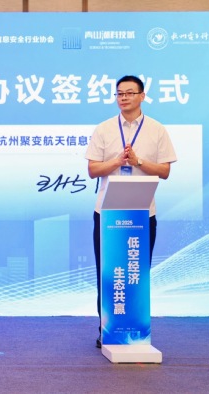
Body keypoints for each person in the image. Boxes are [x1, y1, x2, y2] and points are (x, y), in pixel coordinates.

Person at [84, 75, 176, 349]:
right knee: (108, 274)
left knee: (136, 274)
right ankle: (107, 330)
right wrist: (117, 161)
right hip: (107, 213)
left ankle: (136, 330)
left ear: (142, 96)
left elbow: (165, 171)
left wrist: (138, 161)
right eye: (119, 94)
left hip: (142, 213)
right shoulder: (104, 129)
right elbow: (92, 170)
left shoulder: (157, 130)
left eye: (129, 93)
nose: (123, 98)